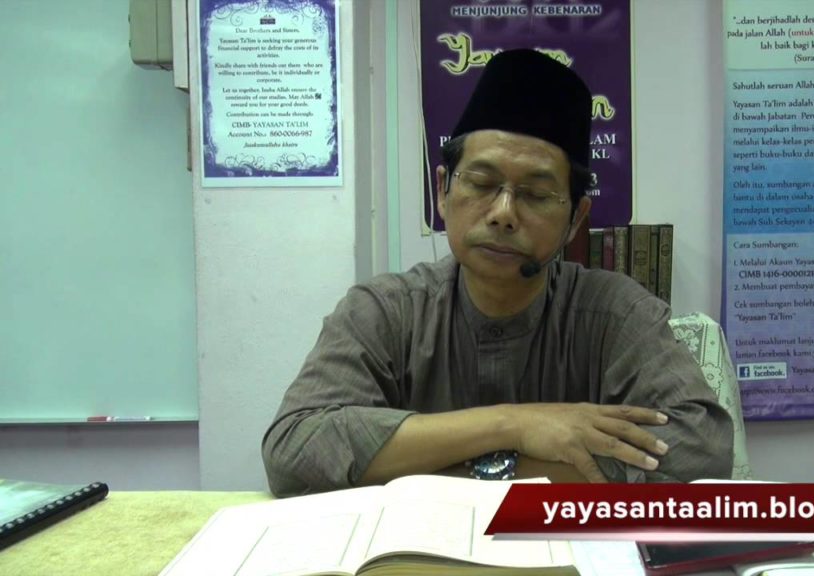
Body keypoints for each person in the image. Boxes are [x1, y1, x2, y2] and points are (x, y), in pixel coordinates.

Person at [262, 49, 733, 497]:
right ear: (443, 190)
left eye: (536, 195)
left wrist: (440, 470)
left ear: (575, 219)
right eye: (482, 183)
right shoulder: (385, 311)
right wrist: (515, 424)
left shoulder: (617, 313)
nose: (503, 213)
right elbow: (296, 448)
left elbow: (700, 451)